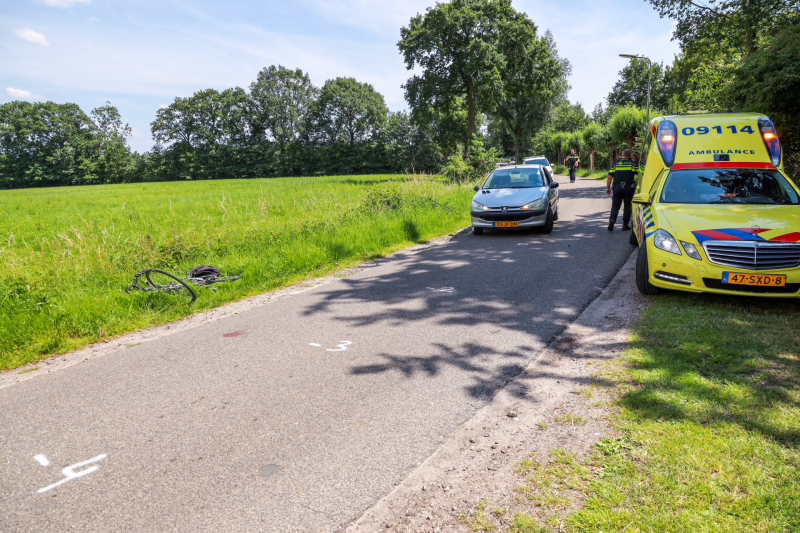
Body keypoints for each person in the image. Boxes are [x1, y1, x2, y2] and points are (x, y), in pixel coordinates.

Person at [606, 149, 638, 232]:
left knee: (615, 205)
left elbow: (610, 177)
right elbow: (640, 174)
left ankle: (612, 220)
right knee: (627, 206)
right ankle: (625, 225)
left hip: (617, 188)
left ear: (622, 155)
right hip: (629, 188)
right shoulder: (633, 164)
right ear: (630, 156)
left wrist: (608, 187)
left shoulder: (615, 164)